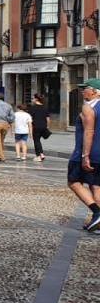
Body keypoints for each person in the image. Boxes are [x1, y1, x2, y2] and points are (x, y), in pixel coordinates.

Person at [67, 79, 100, 233]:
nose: (82, 91)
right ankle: (98, 221)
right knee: (96, 186)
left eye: (85, 88)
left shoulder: (88, 108)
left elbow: (89, 132)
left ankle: (97, 212)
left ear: (95, 92)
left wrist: (84, 155)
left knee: (73, 182)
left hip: (87, 152)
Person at [30, 94, 51, 162]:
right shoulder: (45, 107)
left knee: (36, 141)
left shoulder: (33, 108)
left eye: (33, 98)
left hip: (36, 126)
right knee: (38, 141)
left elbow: (30, 119)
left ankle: (39, 155)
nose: (32, 100)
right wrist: (47, 126)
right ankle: (41, 153)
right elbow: (48, 118)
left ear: (36, 99)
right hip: (43, 126)